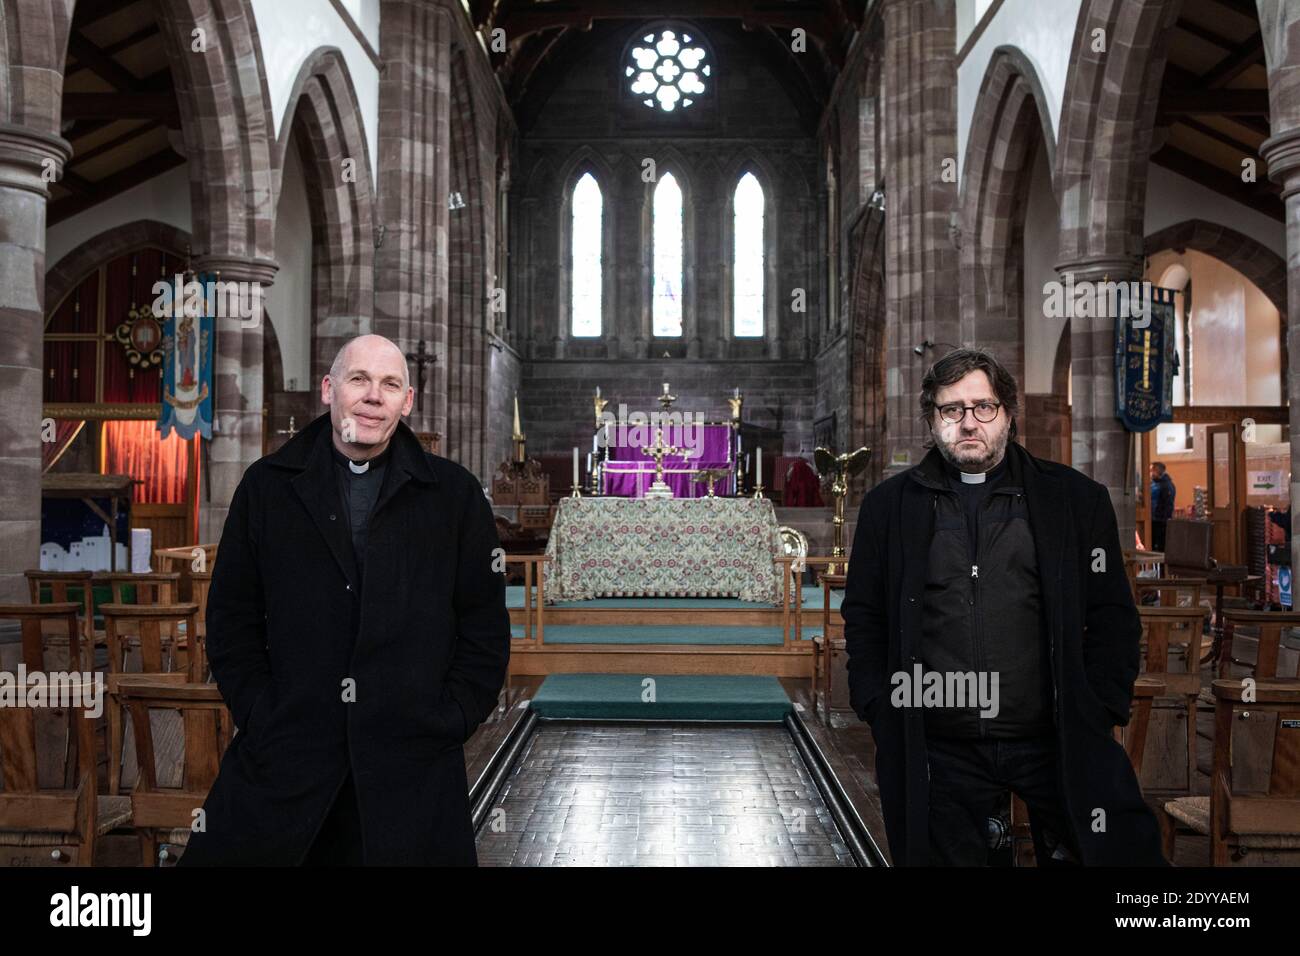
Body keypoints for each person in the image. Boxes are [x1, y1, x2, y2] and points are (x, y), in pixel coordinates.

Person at [179, 334, 510, 866]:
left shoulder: (454, 496)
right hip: (288, 750)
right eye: (359, 379)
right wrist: (262, 712)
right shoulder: (267, 487)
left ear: (407, 402)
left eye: (390, 384)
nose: (373, 396)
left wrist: (451, 717)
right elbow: (231, 619)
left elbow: (484, 628)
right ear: (329, 390)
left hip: (413, 760)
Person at [840, 347, 1166, 866]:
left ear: (1008, 415)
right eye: (952, 410)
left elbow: (1111, 615)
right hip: (938, 744)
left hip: (1055, 735)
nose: (969, 423)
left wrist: (1099, 704)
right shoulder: (890, 507)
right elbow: (865, 616)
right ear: (932, 420)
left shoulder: (1074, 500)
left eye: (983, 407)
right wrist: (879, 706)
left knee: (1115, 856)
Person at [1149, 461, 1176, 551]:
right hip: (1154, 519)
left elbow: (1168, 505)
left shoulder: (1166, 485)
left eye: (1151, 470)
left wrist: (1164, 519)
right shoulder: (1154, 484)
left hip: (1160, 521)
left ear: (1157, 471)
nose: (1150, 473)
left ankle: (1160, 565)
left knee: (1160, 545)